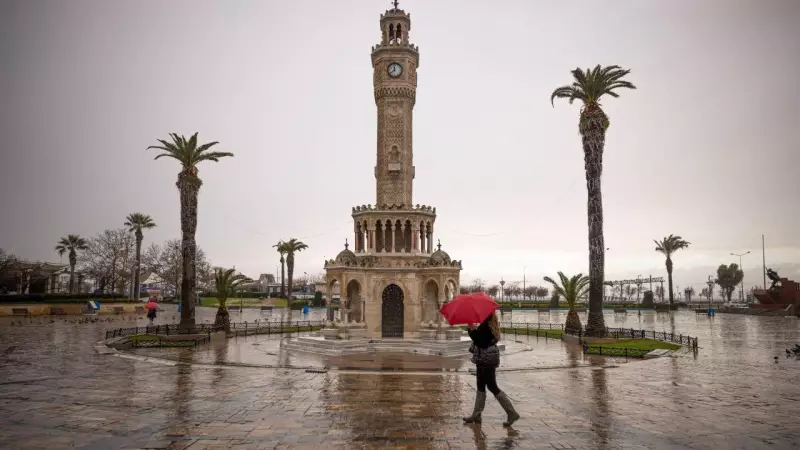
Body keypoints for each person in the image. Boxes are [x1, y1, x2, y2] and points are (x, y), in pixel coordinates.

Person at [463, 311, 520, 427]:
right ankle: (477, 414)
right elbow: (481, 339)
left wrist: (471, 329)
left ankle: (511, 412)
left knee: (492, 386)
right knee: (480, 385)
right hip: (484, 358)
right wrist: (473, 329)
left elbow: (481, 342)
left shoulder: (487, 325)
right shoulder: (488, 323)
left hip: (486, 359)